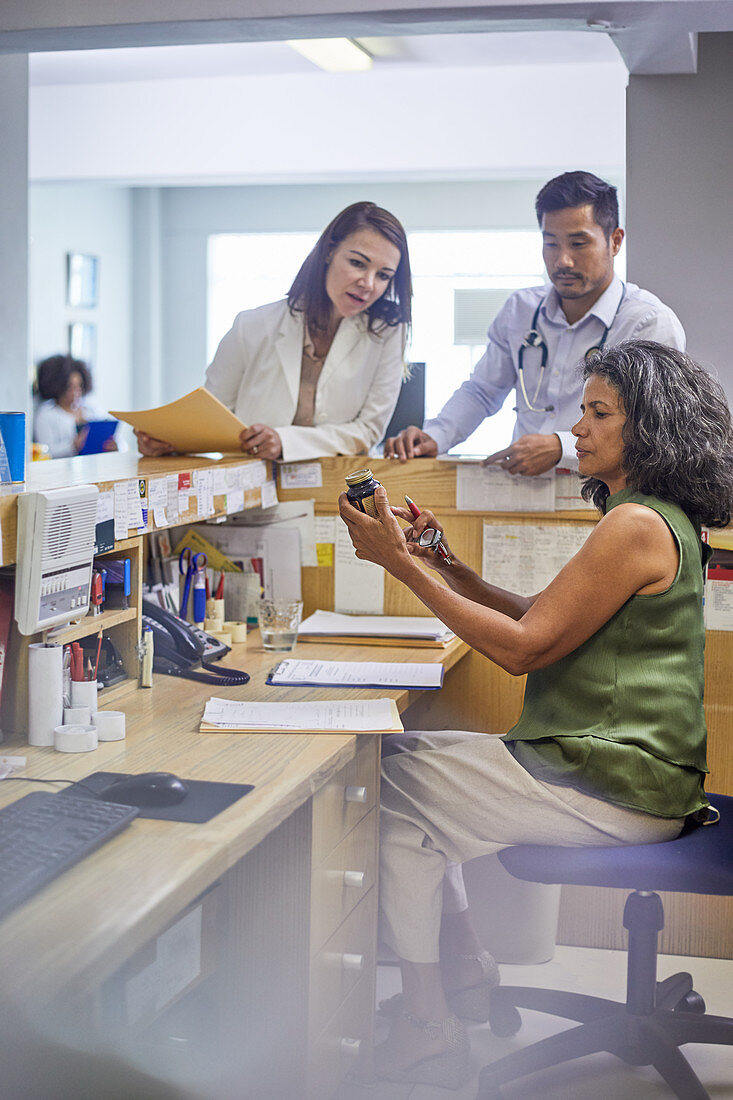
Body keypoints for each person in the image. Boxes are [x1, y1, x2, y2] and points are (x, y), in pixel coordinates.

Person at [340, 340, 732, 1088]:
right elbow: (545, 620)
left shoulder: (633, 526)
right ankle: (463, 969)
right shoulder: (658, 519)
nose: (576, 428)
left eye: (597, 412)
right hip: (632, 775)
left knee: (380, 787)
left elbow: (521, 652)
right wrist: (444, 562)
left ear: (646, 428)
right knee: (403, 759)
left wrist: (394, 563)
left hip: (614, 784)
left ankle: (432, 1013)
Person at [383, 171, 686, 476]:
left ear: (615, 241)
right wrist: (436, 435)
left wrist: (562, 447)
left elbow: (652, 429)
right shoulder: (520, 311)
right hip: (522, 492)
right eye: (551, 243)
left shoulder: (648, 323)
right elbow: (482, 391)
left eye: (579, 243)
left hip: (602, 494)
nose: (562, 260)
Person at [136, 202, 412, 463]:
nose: (368, 283)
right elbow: (211, 417)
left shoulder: (387, 333)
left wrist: (285, 440)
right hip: (249, 494)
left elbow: (368, 430)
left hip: (336, 493)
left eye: (384, 276)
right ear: (329, 252)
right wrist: (168, 442)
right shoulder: (252, 325)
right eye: (358, 263)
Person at [34, 354, 117, 458]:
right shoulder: (46, 414)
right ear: (58, 387)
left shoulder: (91, 410)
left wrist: (113, 447)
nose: (76, 391)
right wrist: (73, 446)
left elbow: (119, 442)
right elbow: (45, 452)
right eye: (70, 387)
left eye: (79, 386)